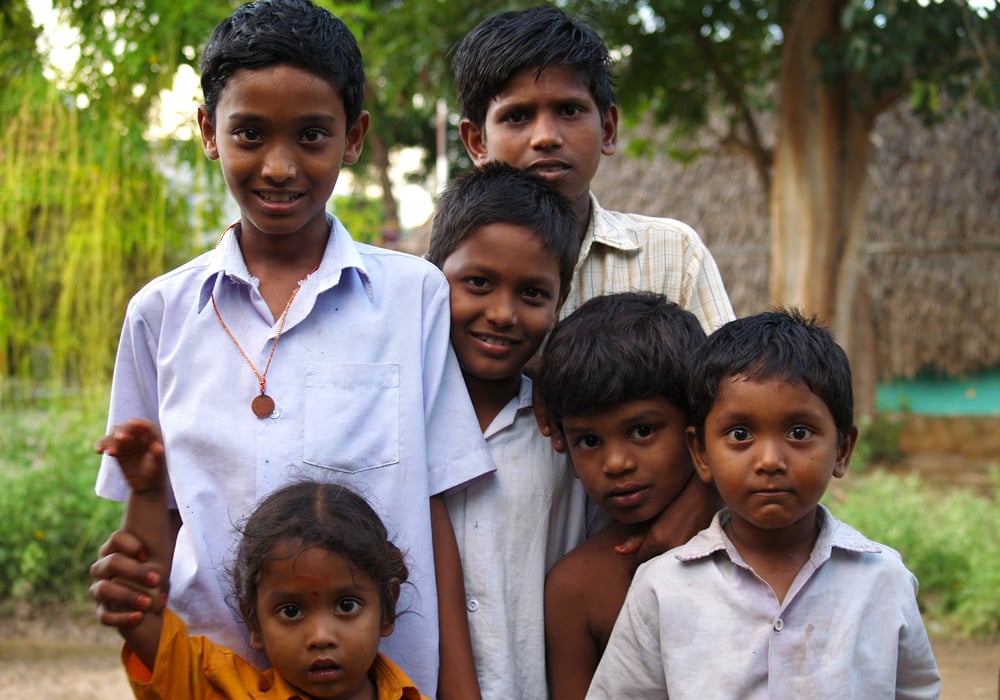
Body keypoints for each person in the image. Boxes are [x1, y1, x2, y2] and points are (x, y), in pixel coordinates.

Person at [89, 2, 492, 696]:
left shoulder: (409, 296)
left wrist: (460, 688)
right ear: (208, 133)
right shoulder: (161, 314)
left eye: (311, 135)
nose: (278, 167)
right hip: (214, 678)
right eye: (249, 132)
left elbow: (434, 508)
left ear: (354, 136)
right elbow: (156, 507)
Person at [452, 5, 734, 559]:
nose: (545, 137)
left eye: (569, 111)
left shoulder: (669, 254)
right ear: (475, 141)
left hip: (659, 558)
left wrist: (693, 511)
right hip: (509, 561)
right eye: (516, 117)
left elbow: (729, 405)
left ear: (607, 127)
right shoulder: (449, 278)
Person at [587, 310, 942, 699]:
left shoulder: (883, 580)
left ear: (842, 449)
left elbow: (916, 691)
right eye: (740, 434)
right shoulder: (662, 587)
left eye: (799, 432)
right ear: (701, 453)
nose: (770, 460)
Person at [97, 418, 428, 699]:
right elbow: (140, 610)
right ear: (254, 622)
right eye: (291, 611)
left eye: (346, 605)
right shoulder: (230, 690)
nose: (321, 636)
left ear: (387, 608)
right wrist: (148, 495)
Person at [424, 162, 586, 699]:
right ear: (431, 276)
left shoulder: (568, 437)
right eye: (477, 283)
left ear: (559, 302)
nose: (502, 314)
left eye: (533, 294)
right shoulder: (398, 419)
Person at [535, 292, 708, 699]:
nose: (615, 463)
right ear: (560, 440)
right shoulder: (576, 587)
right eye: (589, 440)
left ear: (696, 424)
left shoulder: (763, 541)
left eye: (642, 431)